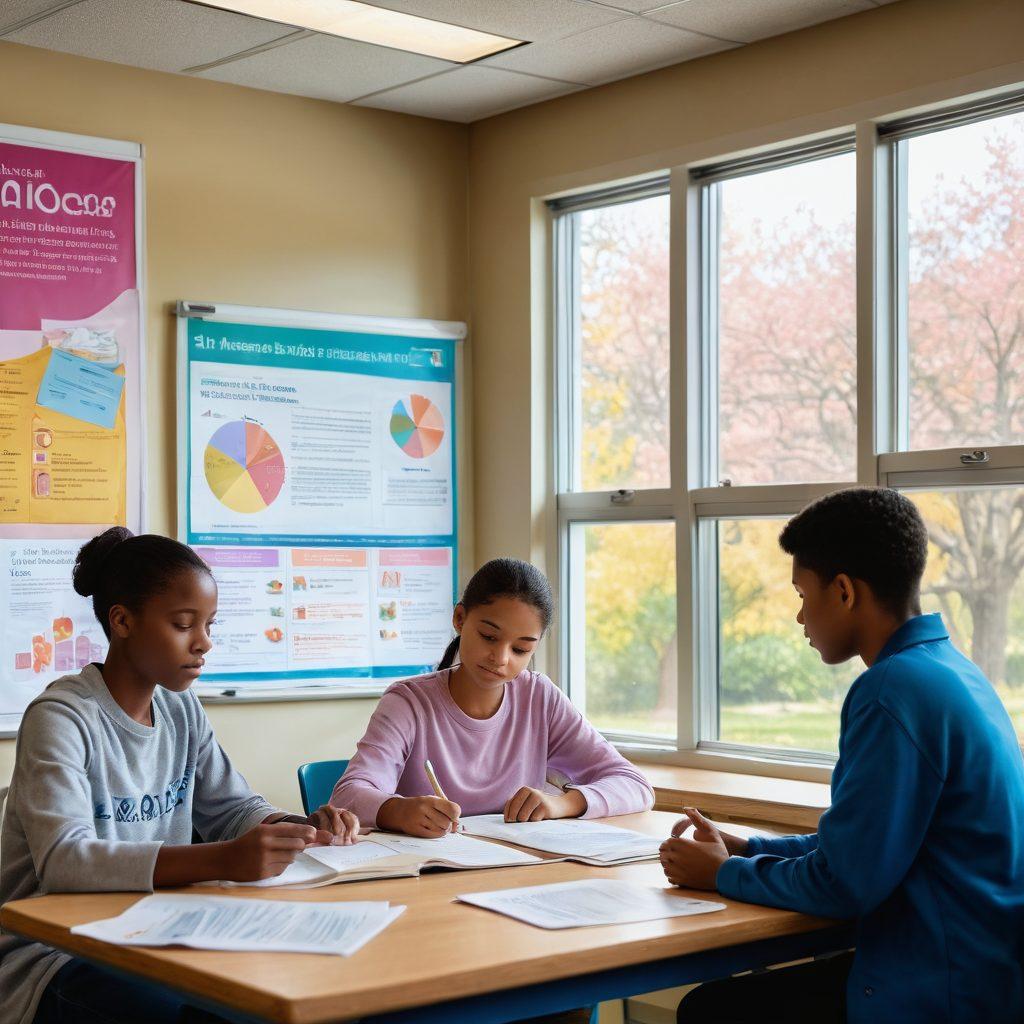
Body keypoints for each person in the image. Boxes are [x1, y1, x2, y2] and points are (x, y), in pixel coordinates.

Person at [659, 488, 1024, 1024]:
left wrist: (725, 875)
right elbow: (866, 846)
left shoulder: (891, 691)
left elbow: (846, 884)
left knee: (711, 1010)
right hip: (982, 973)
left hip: (938, 990)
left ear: (845, 592)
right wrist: (751, 846)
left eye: (804, 594)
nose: (800, 616)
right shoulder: (951, 671)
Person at [0, 528, 360, 1024]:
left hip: (158, 934)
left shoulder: (180, 709)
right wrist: (224, 858)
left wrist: (293, 825)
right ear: (122, 621)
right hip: (55, 957)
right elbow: (66, 861)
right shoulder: (61, 718)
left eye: (209, 624)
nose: (204, 644)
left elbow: (233, 809)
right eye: (183, 624)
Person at [333, 557, 654, 836]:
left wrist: (562, 803)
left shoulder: (539, 697)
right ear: (460, 619)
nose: (501, 658)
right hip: (427, 874)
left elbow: (635, 785)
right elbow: (347, 795)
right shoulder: (408, 702)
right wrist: (398, 811)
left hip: (511, 872)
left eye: (520, 648)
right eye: (489, 636)